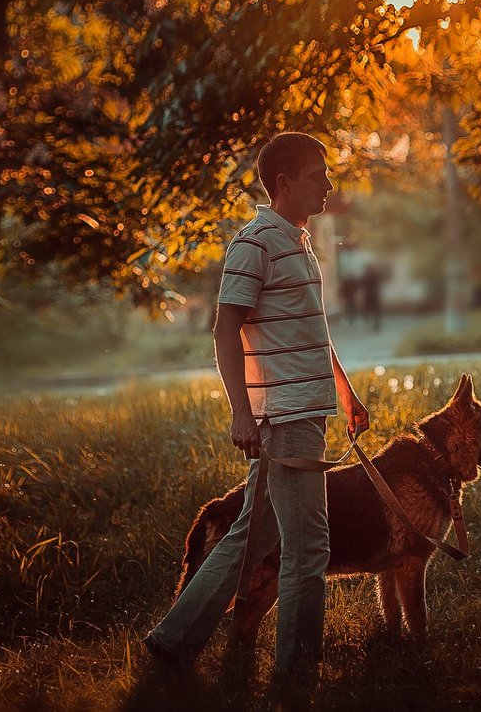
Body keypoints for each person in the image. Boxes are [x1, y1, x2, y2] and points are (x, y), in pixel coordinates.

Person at [143, 132, 370, 686]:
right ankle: (298, 666)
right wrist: (242, 415)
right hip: (285, 417)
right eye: (318, 175)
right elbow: (225, 330)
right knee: (309, 545)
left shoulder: (298, 239)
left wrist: (343, 389)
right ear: (285, 182)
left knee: (253, 535)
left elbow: (311, 328)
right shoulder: (255, 243)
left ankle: (173, 641)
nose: (328, 184)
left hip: (307, 407)